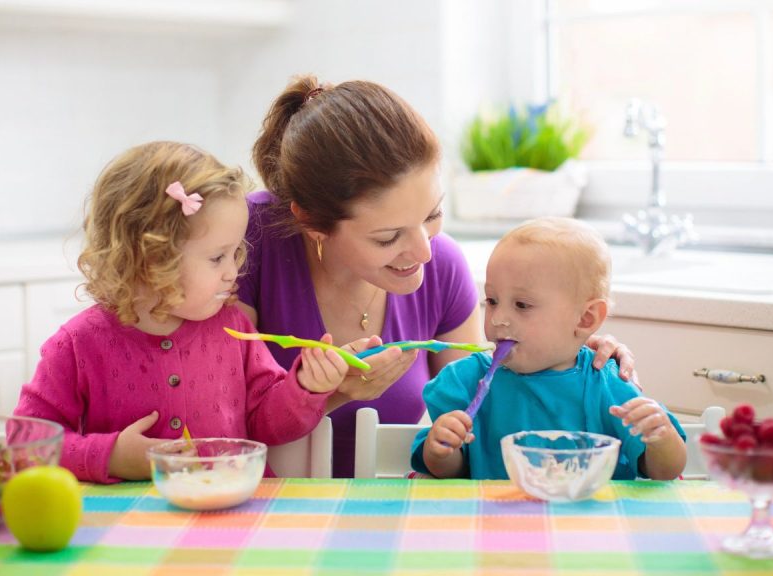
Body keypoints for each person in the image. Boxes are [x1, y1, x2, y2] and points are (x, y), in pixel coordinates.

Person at [238, 74, 640, 477]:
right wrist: (336, 394)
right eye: (389, 237)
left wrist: (571, 355)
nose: (424, 251)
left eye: (432, 215)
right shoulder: (246, 242)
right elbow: (216, 417)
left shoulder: (442, 264)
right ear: (312, 222)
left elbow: (491, 394)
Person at [14, 141, 351, 483]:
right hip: (130, 526)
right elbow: (25, 443)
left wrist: (306, 386)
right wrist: (111, 456)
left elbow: (270, 425)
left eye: (236, 253)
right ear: (150, 258)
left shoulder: (234, 330)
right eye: (217, 257)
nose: (233, 272)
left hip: (235, 516)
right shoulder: (76, 345)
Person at [413, 218, 687, 480]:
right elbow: (447, 472)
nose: (498, 319)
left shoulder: (606, 383)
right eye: (493, 300)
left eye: (522, 305)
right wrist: (441, 451)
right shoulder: (465, 381)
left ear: (585, 319)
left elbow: (663, 471)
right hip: (497, 522)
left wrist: (661, 440)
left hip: (592, 524)